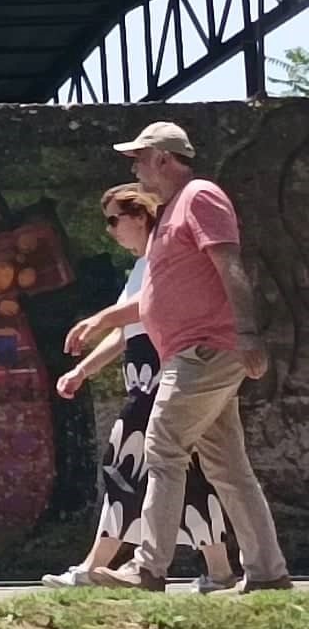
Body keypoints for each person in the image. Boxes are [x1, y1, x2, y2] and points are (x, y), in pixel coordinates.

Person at [64, 122, 292, 593]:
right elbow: (156, 295)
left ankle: (148, 570)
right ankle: (268, 573)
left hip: (205, 351)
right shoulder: (171, 212)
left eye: (140, 158)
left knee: (162, 448)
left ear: (163, 159)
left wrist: (247, 332)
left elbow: (230, 264)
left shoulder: (201, 196)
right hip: (195, 353)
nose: (135, 166)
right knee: (228, 468)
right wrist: (101, 320)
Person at [42, 183, 236, 592]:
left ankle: (93, 567)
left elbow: (135, 320)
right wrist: (83, 371)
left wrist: (99, 321)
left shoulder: (162, 264)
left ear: (141, 216)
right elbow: (129, 331)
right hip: (146, 383)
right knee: (189, 476)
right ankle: (218, 572)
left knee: (122, 468)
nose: (110, 230)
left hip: (157, 385)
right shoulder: (143, 268)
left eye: (115, 219)